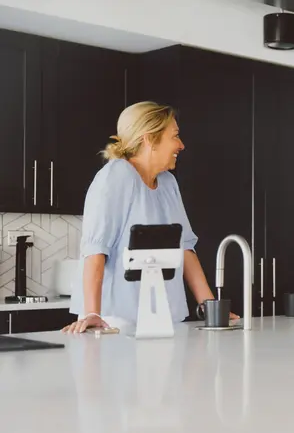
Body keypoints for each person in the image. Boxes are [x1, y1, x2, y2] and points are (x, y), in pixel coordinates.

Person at [63, 101, 234, 333]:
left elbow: (185, 248)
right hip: (115, 319)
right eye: (175, 136)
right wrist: (93, 314)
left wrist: (209, 307)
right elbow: (95, 249)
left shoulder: (168, 183)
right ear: (150, 139)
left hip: (163, 314)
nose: (181, 145)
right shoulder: (116, 176)